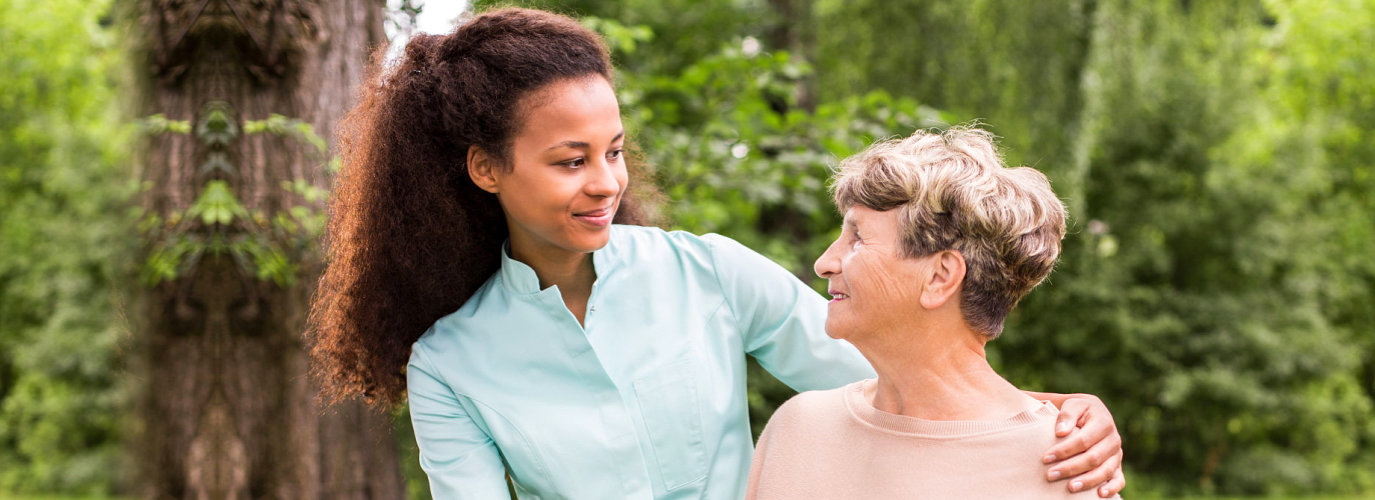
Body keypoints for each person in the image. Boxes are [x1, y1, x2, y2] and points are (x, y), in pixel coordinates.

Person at [307, 8, 1125, 499]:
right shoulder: (451, 365)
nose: (604, 183)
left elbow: (909, 375)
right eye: (569, 160)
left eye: (615, 151)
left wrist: (1053, 416)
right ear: (486, 169)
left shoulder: (705, 271)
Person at [746, 126, 1124, 498]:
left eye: (858, 237)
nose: (824, 263)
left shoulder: (1068, 470)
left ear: (940, 276)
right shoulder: (797, 429)